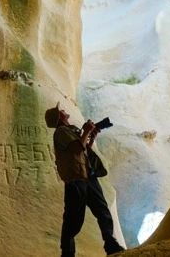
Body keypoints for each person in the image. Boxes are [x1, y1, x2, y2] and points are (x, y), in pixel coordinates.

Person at [45, 103, 126, 257]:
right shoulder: (61, 131)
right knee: (73, 220)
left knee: (103, 212)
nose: (63, 110)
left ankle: (111, 244)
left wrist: (91, 136)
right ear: (58, 118)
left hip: (88, 177)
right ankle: (68, 253)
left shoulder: (69, 130)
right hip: (76, 180)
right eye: (60, 111)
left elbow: (83, 150)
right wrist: (87, 131)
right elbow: (76, 148)